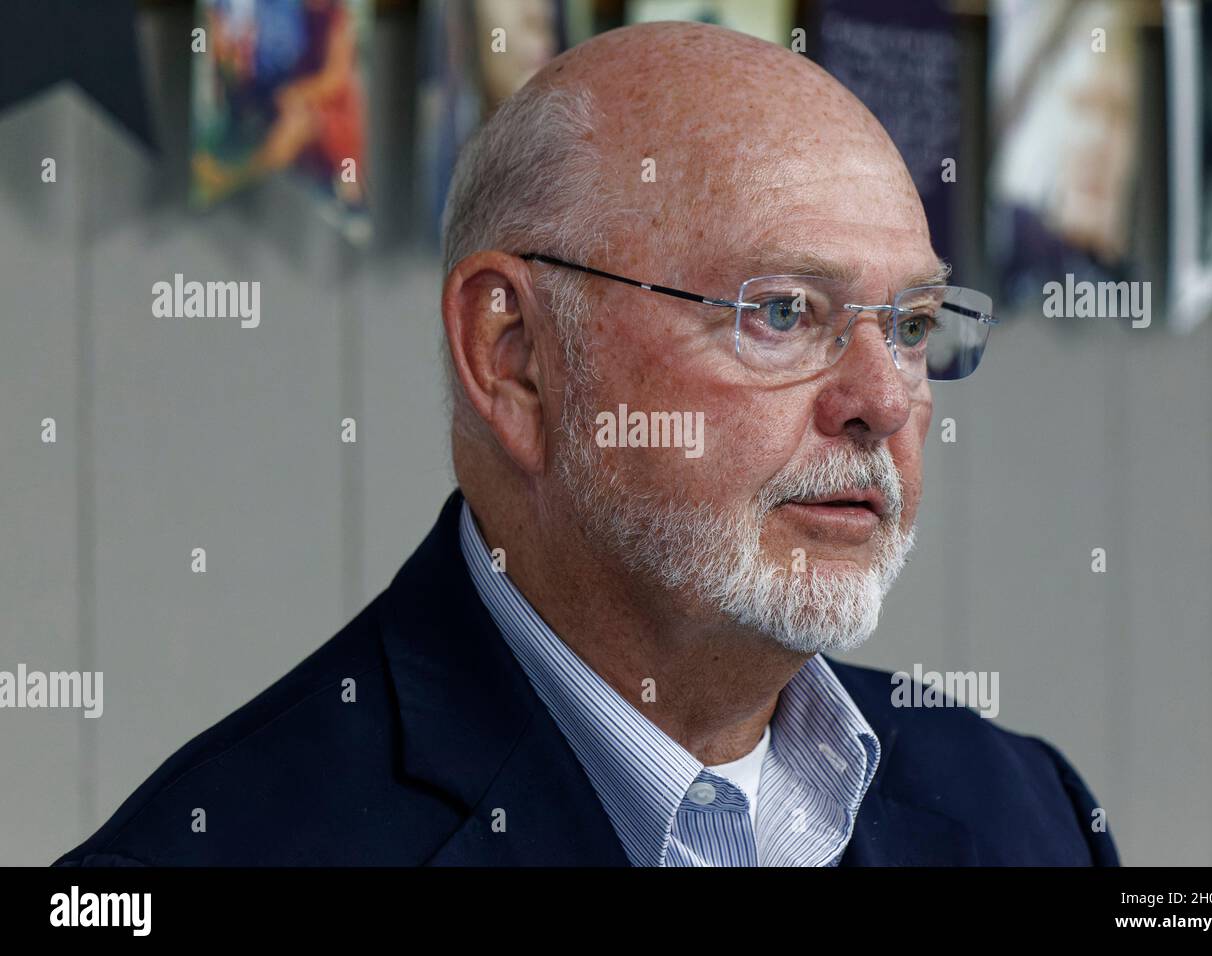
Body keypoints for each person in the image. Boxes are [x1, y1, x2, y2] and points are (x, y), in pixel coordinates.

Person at [54, 21, 1117, 867]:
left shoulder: (1033, 815)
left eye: (914, 324)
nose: (882, 397)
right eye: (785, 312)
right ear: (513, 356)